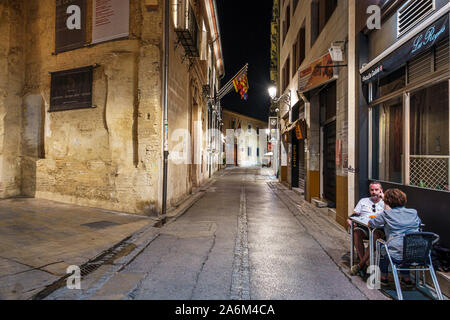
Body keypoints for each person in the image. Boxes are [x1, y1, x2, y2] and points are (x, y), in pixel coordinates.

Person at [369, 188, 421, 287]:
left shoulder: (386, 214)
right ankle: (406, 278)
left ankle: (383, 278)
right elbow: (419, 222)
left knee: (381, 245)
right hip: (417, 252)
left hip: (396, 252)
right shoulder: (413, 212)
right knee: (406, 246)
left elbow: (372, 223)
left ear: (387, 201)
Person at [348, 181, 385, 276]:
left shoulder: (385, 203)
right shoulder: (363, 201)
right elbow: (354, 215)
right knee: (356, 233)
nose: (374, 192)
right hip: (364, 228)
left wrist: (384, 200)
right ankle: (363, 263)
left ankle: (361, 264)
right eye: (372, 190)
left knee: (376, 235)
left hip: (378, 229)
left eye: (376, 190)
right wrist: (349, 220)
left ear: (381, 190)